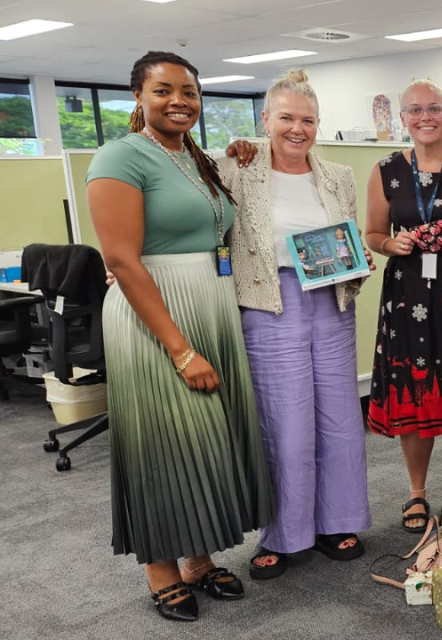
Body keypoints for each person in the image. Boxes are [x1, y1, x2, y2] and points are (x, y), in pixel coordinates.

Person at [87, 51, 274, 622]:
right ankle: (161, 569)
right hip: (157, 316)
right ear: (137, 98)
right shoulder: (119, 156)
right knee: (164, 443)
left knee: (207, 439)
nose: (178, 101)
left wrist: (240, 148)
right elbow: (121, 258)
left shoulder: (193, 155)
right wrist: (180, 347)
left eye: (189, 92)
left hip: (209, 306)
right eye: (163, 90)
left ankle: (198, 558)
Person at [219, 69, 373, 579]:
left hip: (331, 301)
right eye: (285, 117)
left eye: (307, 120)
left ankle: (337, 521)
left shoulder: (337, 177)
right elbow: (201, 222)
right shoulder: (237, 170)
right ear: (266, 119)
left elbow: (348, 238)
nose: (297, 129)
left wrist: (359, 259)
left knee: (338, 417)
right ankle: (283, 534)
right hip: (270, 303)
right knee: (284, 422)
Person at [365, 78, 442, 532]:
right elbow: (373, 233)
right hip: (406, 293)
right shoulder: (386, 169)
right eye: (414, 110)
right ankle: (416, 491)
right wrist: (391, 244)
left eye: (433, 108)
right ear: (403, 118)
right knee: (413, 390)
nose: (425, 117)